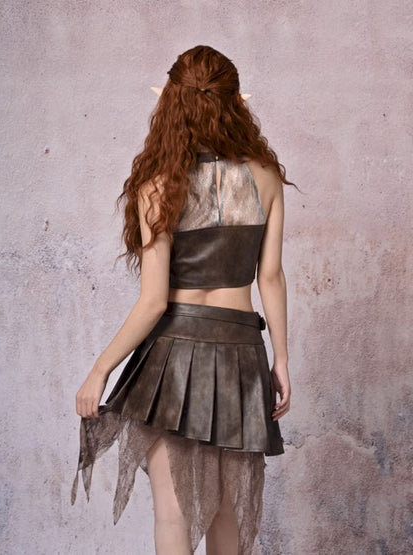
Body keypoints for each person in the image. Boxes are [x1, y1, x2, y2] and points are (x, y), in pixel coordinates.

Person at [71, 45, 296, 555]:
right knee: (225, 513)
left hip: (172, 356)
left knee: (172, 514)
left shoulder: (158, 186)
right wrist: (281, 359)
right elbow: (271, 276)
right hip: (241, 354)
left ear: (171, 102)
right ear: (235, 101)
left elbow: (154, 302)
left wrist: (100, 369)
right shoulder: (266, 177)